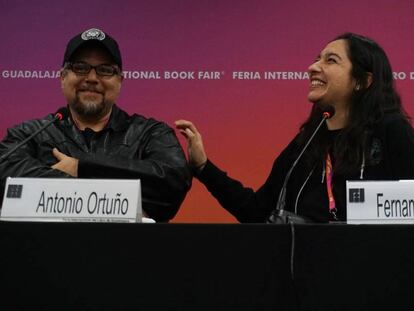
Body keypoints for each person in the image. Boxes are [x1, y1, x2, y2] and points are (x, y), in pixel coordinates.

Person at [176, 32, 414, 223]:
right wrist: (204, 167)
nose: (313, 68)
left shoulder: (391, 132)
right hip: (306, 276)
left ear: (362, 81)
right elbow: (256, 211)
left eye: (331, 60)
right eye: (316, 59)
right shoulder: (306, 143)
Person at [0, 27, 192, 222]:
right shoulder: (28, 134)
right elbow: (5, 176)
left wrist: (82, 167)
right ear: (62, 77)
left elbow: (172, 181)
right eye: (80, 67)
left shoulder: (150, 133)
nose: (92, 78)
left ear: (120, 81)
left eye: (105, 70)